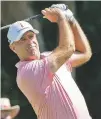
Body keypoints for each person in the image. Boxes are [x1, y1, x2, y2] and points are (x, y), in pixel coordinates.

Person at [7, 4, 92, 119]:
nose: (29, 41)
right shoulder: (27, 72)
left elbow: (84, 53)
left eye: (31, 36)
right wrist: (61, 18)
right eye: (22, 39)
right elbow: (68, 48)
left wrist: (71, 20)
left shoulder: (50, 57)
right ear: (13, 48)